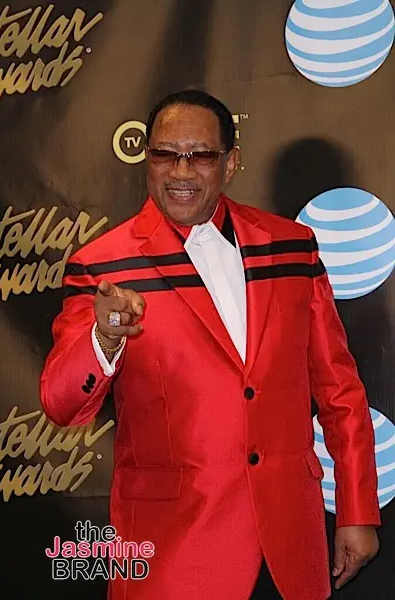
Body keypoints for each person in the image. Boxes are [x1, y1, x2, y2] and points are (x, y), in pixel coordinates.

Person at [40, 89, 380, 600]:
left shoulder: (291, 248)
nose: (180, 171)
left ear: (230, 162)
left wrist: (356, 509)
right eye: (165, 154)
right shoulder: (103, 266)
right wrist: (103, 338)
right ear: (147, 158)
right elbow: (60, 403)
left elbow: (340, 391)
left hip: (291, 550)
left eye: (199, 155)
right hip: (174, 555)